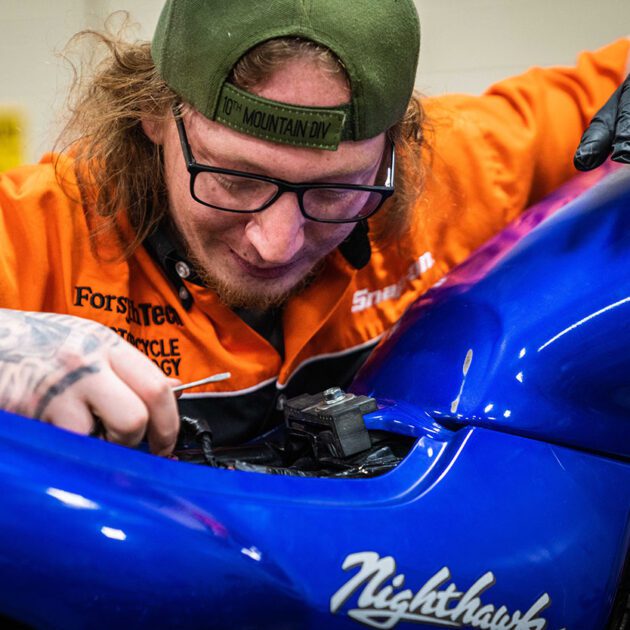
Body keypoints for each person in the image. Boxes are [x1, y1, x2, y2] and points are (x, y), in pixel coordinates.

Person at [0, 0, 627, 456]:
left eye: (335, 189)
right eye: (236, 178)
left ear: (398, 145)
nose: (277, 243)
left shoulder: (454, 173)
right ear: (152, 112)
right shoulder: (37, 233)